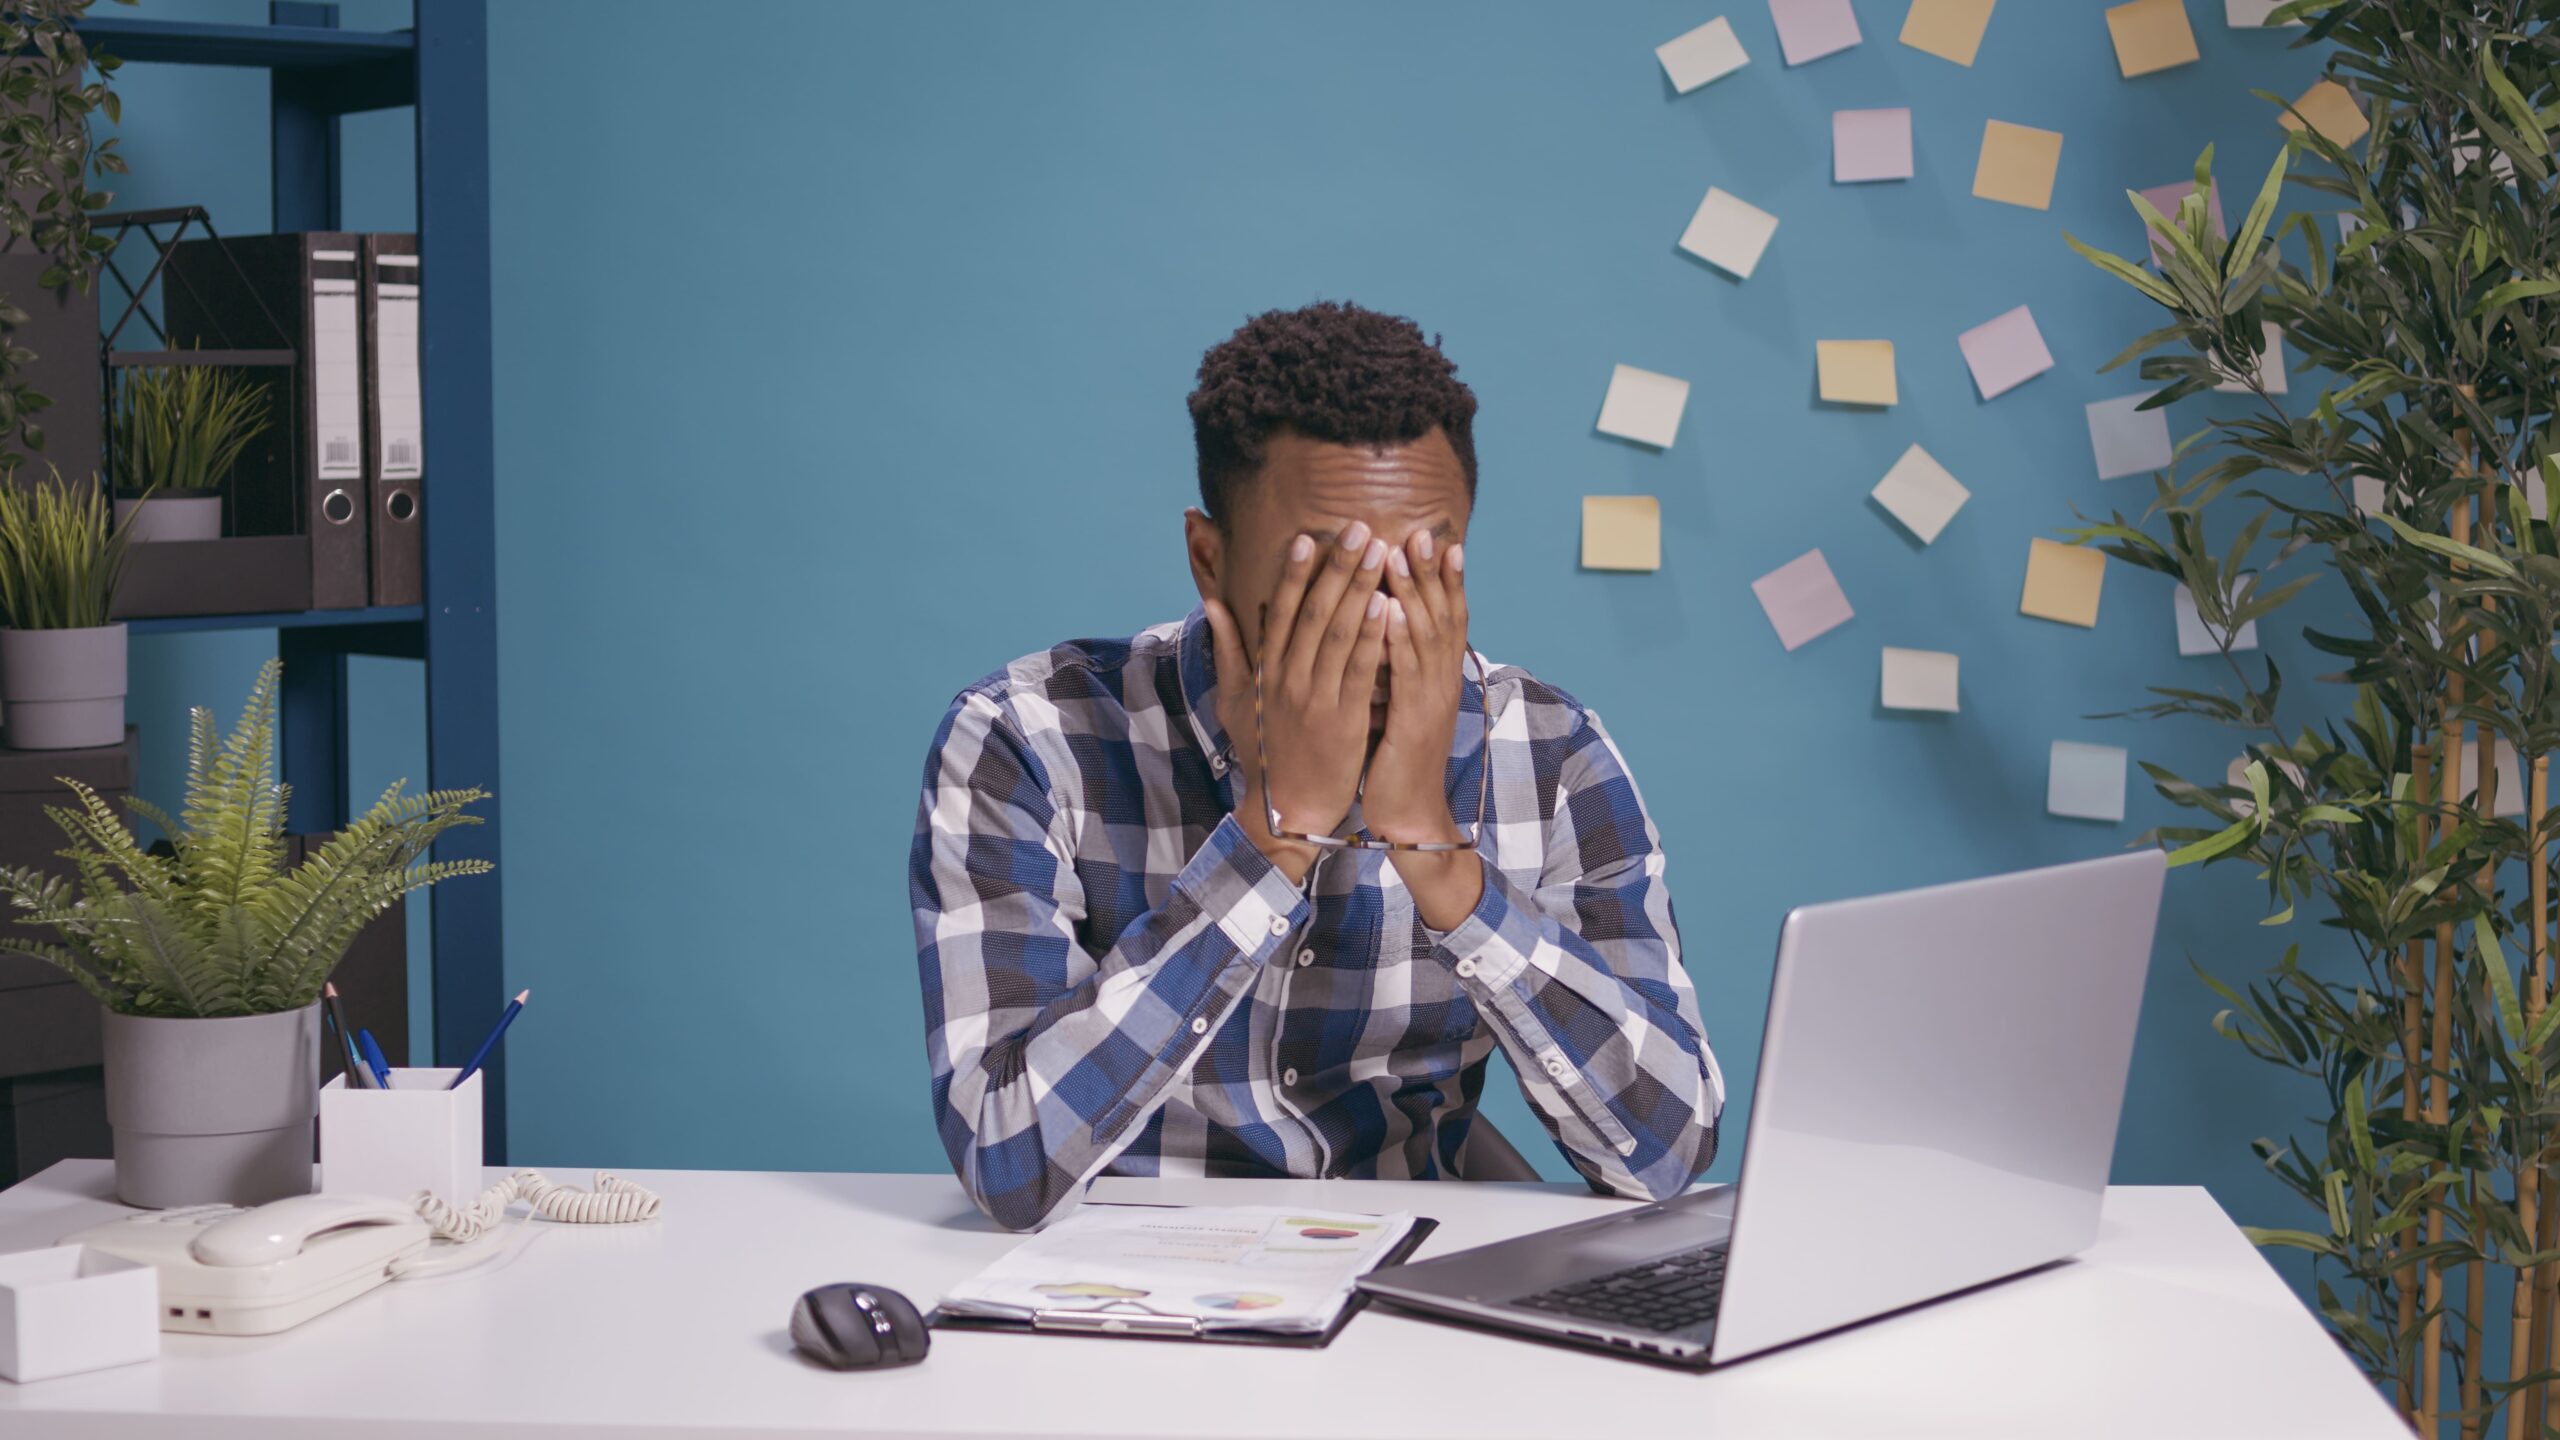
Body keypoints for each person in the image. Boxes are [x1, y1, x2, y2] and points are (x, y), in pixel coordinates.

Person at [910, 301, 1724, 1231]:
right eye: (1324, 578)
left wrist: (1436, 851)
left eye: (1425, 571)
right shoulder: (1026, 736)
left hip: (1413, 1292)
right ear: (1210, 562)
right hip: (1117, 1283)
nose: (1378, 624)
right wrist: (1272, 834)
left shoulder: (1551, 751)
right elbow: (1004, 1158)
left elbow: (1667, 1153)